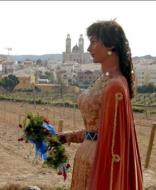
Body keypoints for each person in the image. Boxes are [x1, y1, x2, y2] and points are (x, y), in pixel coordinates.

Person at [58, 20, 143, 190]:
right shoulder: (103, 80)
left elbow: (114, 143)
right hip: (87, 160)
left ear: (110, 45)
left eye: (93, 42)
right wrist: (65, 136)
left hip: (100, 167)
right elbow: (96, 131)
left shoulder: (115, 86)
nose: (89, 48)